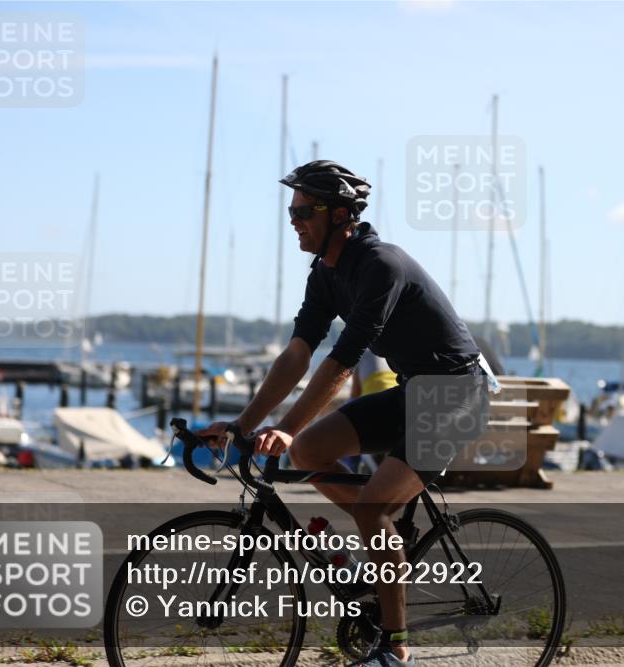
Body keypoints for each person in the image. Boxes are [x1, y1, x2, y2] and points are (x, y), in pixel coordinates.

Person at [198, 160, 487, 667]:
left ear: (339, 215)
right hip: (411, 390)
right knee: (312, 451)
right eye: (292, 211)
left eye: (304, 211)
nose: (294, 220)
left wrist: (284, 429)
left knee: (372, 508)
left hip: (456, 395)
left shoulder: (381, 266)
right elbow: (297, 355)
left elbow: (342, 360)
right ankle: (369, 556)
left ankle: (395, 649)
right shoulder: (325, 274)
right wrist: (243, 425)